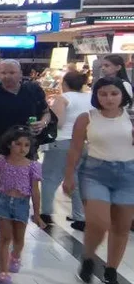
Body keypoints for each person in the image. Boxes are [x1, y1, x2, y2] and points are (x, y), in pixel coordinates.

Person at [65, 77, 134, 284]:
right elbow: (75, 149)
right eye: (103, 94)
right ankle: (88, 256)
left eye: (114, 93)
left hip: (128, 175)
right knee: (99, 222)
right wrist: (69, 176)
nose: (109, 98)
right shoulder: (86, 118)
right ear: (96, 96)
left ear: (123, 95)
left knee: (121, 226)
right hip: (95, 173)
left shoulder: (131, 118)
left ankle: (111, 271)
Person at [0, 127, 46, 284]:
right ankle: (3, 272)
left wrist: (37, 213)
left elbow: (35, 191)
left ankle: (15, 256)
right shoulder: (1, 161)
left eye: (26, 145)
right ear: (9, 144)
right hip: (3, 202)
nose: (22, 149)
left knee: (19, 239)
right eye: (18, 144)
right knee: (5, 237)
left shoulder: (33, 166)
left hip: (22, 204)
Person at [0, 59, 50, 167]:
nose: (7, 76)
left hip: (28, 150)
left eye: (12, 72)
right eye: (3, 73)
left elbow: (46, 112)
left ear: (20, 74)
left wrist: (43, 123)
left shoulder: (34, 91)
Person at [41, 70, 90, 230]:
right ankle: (80, 216)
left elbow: (58, 123)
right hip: (84, 143)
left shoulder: (62, 98)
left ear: (64, 83)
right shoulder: (90, 98)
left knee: (50, 178)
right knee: (77, 179)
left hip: (62, 142)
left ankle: (46, 213)